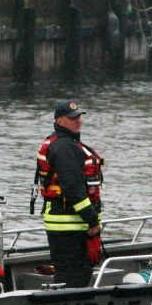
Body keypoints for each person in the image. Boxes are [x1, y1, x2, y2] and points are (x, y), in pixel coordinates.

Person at [35, 101, 104, 288]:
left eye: (79, 117)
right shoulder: (65, 148)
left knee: (75, 274)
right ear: (59, 121)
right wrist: (92, 220)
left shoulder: (67, 144)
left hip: (70, 224)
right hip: (68, 225)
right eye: (73, 118)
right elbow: (73, 189)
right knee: (72, 277)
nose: (78, 121)